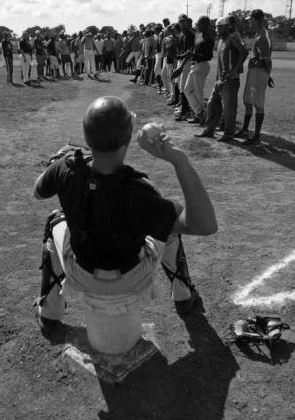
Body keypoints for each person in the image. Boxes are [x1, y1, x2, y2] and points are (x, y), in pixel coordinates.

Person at [32, 96, 217, 333]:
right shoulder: (142, 191)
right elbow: (205, 225)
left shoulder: (65, 169)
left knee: (55, 221)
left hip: (82, 274)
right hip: (132, 278)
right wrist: (179, 161)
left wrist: (59, 162)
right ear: (128, 139)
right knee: (168, 224)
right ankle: (183, 293)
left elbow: (38, 192)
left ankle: (49, 311)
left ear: (87, 138)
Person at [195, 16, 249, 141]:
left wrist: (235, 69)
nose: (217, 29)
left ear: (227, 27)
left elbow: (244, 52)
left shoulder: (231, 39)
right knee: (212, 104)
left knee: (229, 108)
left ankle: (229, 134)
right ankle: (209, 130)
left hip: (231, 80)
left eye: (220, 26)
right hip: (219, 80)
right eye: (217, 27)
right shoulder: (220, 41)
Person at [239, 9, 274, 145]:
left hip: (259, 74)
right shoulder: (258, 33)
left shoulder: (263, 37)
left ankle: (257, 136)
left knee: (258, 104)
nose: (249, 22)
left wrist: (267, 75)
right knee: (247, 101)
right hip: (255, 72)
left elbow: (267, 60)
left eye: (251, 19)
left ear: (257, 20)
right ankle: (245, 130)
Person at [182, 16, 214, 125]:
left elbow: (208, 56)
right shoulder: (199, 35)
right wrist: (189, 54)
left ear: (205, 25)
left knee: (199, 92)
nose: (198, 26)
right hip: (195, 65)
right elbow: (193, 51)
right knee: (187, 90)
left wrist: (193, 54)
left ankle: (201, 116)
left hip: (201, 66)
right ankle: (200, 113)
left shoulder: (208, 39)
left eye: (200, 24)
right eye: (198, 24)